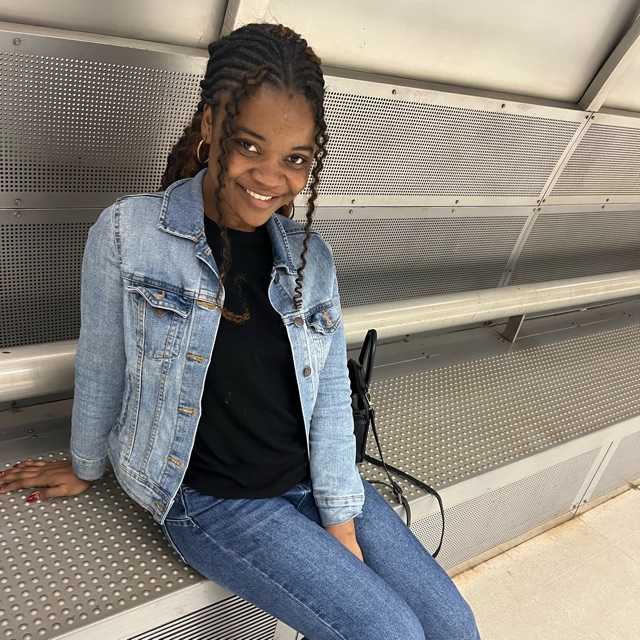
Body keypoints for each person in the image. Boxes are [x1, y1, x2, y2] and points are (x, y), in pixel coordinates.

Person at [0, 23, 480, 640]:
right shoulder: (128, 233)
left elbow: (331, 395)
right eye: (250, 146)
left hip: (310, 480)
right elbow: (102, 362)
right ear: (210, 125)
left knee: (454, 626)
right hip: (214, 500)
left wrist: (339, 521)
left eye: (295, 159)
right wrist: (86, 466)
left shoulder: (310, 257)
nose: (271, 177)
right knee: (390, 634)